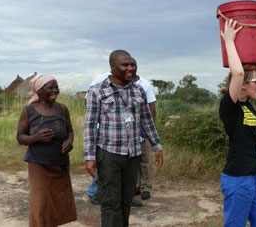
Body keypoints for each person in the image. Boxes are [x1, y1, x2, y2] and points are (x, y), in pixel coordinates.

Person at [83, 49, 163, 227]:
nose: (130, 69)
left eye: (132, 65)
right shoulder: (97, 92)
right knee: (111, 203)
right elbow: (89, 125)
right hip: (108, 154)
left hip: (132, 155)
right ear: (112, 67)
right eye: (125, 65)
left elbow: (146, 121)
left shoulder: (139, 91)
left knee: (126, 201)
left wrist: (157, 146)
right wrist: (89, 157)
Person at [218, 19, 256, 226]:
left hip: (255, 177)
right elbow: (238, 72)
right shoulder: (229, 108)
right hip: (238, 179)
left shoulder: (249, 104)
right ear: (241, 85)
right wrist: (229, 41)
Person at [16, 74, 77, 227]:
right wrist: (36, 137)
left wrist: (69, 141)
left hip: (60, 164)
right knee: (41, 204)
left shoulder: (62, 109)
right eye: (51, 88)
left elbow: (70, 131)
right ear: (39, 90)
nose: (55, 91)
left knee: (58, 204)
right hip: (39, 165)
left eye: (56, 87)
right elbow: (20, 137)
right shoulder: (29, 110)